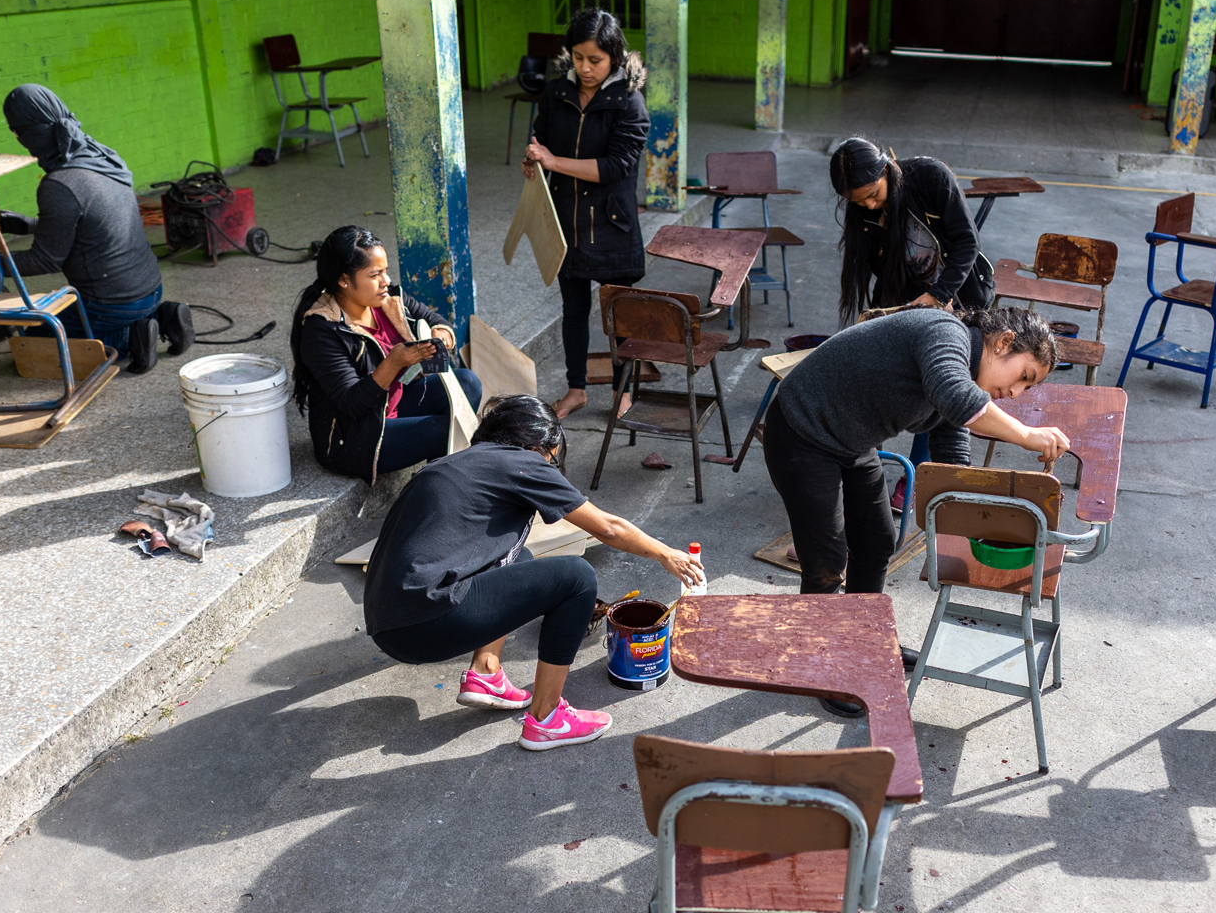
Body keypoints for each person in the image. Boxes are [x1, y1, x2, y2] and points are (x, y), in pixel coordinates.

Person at [364, 395, 705, 752]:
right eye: (551, 454)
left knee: (519, 557)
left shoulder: (456, 463)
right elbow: (609, 529)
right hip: (426, 620)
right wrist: (667, 553)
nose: (550, 462)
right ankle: (547, 719)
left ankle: (486, 673)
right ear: (538, 445)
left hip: (387, 623)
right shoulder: (523, 462)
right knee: (575, 577)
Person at [766, 304, 1068, 612]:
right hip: (802, 431)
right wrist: (1026, 435)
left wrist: (972, 510)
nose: (1016, 392)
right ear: (1003, 342)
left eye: (1026, 387)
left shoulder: (963, 372)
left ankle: (866, 643)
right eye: (1023, 376)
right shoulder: (945, 333)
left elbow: (951, 441)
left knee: (877, 544)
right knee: (825, 563)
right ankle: (811, 652)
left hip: (850, 442)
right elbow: (957, 397)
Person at [829, 137, 997, 486]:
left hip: (961, 294)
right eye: (859, 203)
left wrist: (939, 294)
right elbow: (876, 265)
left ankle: (922, 478)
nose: (871, 205)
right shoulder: (864, 208)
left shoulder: (930, 177)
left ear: (887, 170)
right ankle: (867, 469)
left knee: (944, 387)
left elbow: (968, 241)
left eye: (874, 194)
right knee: (911, 381)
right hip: (908, 299)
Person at [0, 85, 191, 373]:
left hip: (114, 303)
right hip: (150, 287)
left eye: (17, 133)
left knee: (35, 335)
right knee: (68, 319)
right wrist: (33, 226)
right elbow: (97, 224)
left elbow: (46, 260)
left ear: (31, 133)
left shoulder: (58, 184)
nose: (19, 140)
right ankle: (163, 316)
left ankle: (131, 338)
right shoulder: (102, 157)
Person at [522, 7, 648, 420]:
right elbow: (539, 136)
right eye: (578, 57)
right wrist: (534, 161)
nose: (585, 68)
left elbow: (615, 167)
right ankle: (576, 390)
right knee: (573, 311)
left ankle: (623, 390)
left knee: (620, 313)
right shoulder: (556, 93)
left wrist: (553, 161)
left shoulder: (629, 102)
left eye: (595, 60)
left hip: (611, 223)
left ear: (614, 55)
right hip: (567, 222)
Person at [291, 225, 485, 485]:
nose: (386, 281)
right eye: (375, 274)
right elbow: (351, 403)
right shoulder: (322, 330)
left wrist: (443, 333)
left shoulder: (388, 300)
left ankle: (440, 481)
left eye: (385, 271)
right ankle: (437, 489)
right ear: (343, 279)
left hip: (394, 405)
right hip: (357, 435)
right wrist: (393, 364)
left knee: (468, 382)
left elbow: (433, 318)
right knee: (446, 428)